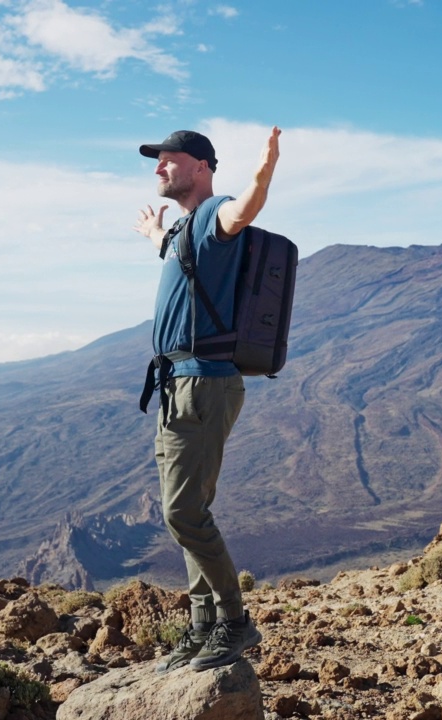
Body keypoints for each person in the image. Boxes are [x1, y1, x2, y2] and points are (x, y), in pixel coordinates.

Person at [132, 126, 281, 672]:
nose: (158, 169)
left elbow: (242, 212)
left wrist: (263, 175)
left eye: (168, 160)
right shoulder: (184, 233)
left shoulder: (216, 212)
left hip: (202, 383)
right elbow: (170, 252)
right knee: (187, 509)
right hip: (176, 386)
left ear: (200, 167)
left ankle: (236, 623)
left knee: (183, 511)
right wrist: (155, 232)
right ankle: (202, 626)